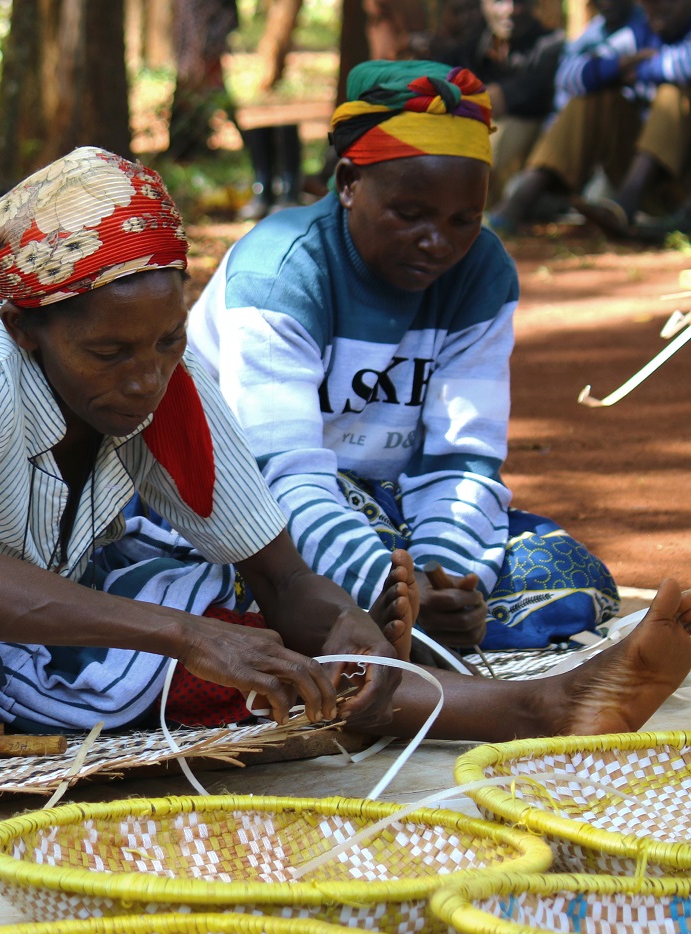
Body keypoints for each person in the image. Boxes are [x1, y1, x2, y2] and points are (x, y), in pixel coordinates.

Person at [0, 143, 691, 881]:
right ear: (30, 327)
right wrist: (187, 631)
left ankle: (545, 707)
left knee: (261, 661)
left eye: (168, 340)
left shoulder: (163, 376)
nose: (144, 377)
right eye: (109, 351)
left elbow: (282, 579)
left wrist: (344, 639)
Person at [188, 60, 620, 657]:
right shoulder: (280, 272)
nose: (438, 242)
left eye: (463, 220)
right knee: (226, 584)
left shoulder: (482, 273)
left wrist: (445, 579)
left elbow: (461, 462)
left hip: (392, 517)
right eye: (410, 214)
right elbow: (280, 476)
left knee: (574, 579)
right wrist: (391, 594)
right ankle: (375, 628)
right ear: (347, 183)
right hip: (253, 513)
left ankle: (402, 633)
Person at [490, 0, 656, 233]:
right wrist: (625, 65)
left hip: (649, 160)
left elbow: (676, 63)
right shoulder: (596, 32)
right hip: (605, 156)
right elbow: (571, 77)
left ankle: (531, 196)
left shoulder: (649, 23)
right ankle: (530, 195)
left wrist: (621, 69)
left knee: (602, 96)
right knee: (590, 96)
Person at [572, 0, 691, 239]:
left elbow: (684, 65)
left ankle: (625, 204)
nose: (657, 7)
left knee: (672, 94)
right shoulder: (637, 32)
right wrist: (620, 64)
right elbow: (570, 75)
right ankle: (525, 197)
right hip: (651, 181)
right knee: (593, 98)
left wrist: (640, 70)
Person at [435, 0, 564, 199]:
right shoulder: (475, 46)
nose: (510, 10)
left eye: (519, 2)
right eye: (499, 1)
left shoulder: (552, 45)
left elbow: (512, 96)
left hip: (529, 151)